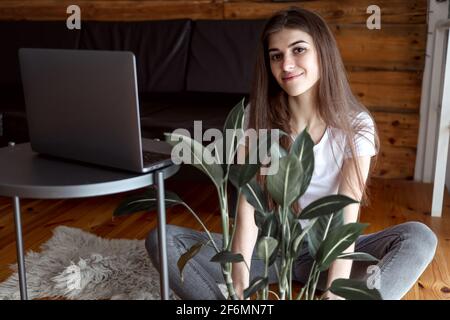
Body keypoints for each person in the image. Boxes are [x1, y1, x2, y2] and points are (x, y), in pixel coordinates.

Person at [145, 7, 437, 300]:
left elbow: (347, 217)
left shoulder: (356, 125)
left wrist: (335, 291)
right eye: (276, 55)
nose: (286, 64)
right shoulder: (255, 118)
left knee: (418, 238)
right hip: (270, 251)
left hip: (326, 252)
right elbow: (247, 211)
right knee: (164, 240)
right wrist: (238, 281)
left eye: (298, 50)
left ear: (322, 52)